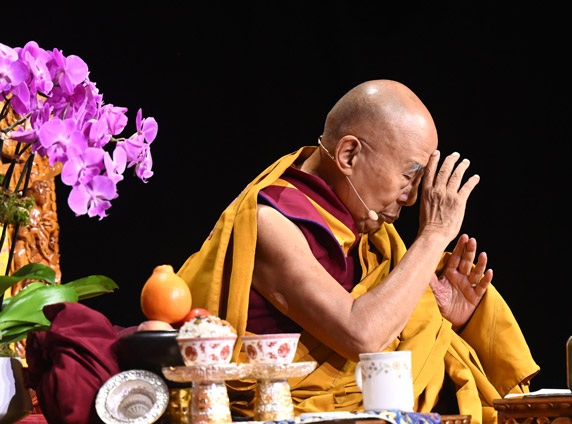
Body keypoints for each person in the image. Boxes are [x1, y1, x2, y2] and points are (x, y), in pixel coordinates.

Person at [176, 79, 540, 424]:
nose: (413, 198)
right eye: (409, 176)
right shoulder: (272, 222)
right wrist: (433, 236)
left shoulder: (370, 234)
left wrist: (444, 314)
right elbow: (362, 334)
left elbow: (395, 324)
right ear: (349, 154)